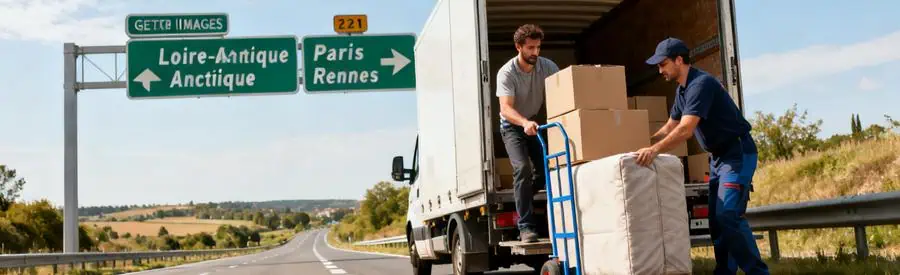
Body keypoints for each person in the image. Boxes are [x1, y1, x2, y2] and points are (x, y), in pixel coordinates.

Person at [636, 37, 769, 275]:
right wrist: (639, 147)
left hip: (736, 152)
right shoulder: (683, 91)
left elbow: (685, 130)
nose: (660, 70)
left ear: (679, 60)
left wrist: (654, 151)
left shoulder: (701, 84)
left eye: (663, 64)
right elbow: (669, 127)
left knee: (728, 215)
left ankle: (758, 272)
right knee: (717, 222)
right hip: (718, 158)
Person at [496, 24, 559, 243]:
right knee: (521, 168)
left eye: (538, 47)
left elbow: (562, 91)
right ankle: (525, 227)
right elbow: (505, 108)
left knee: (545, 171)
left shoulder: (548, 67)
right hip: (512, 125)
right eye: (530, 48)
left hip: (533, 124)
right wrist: (523, 122)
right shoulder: (507, 73)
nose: (535, 53)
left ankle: (522, 197)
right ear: (518, 47)